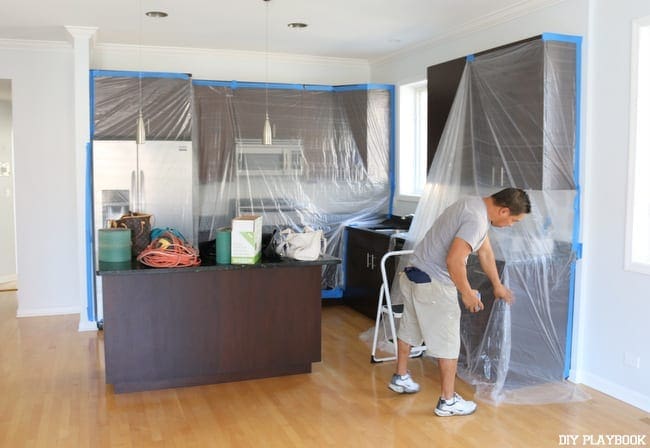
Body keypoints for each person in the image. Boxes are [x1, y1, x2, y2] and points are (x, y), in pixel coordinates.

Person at [388, 187, 531, 417]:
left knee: (410, 326)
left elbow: (485, 253)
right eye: (513, 220)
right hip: (434, 283)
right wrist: (466, 292)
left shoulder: (472, 204)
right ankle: (447, 401)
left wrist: (497, 285)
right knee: (449, 342)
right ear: (503, 210)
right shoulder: (477, 220)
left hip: (414, 272)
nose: (512, 224)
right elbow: (454, 260)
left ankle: (400, 377)